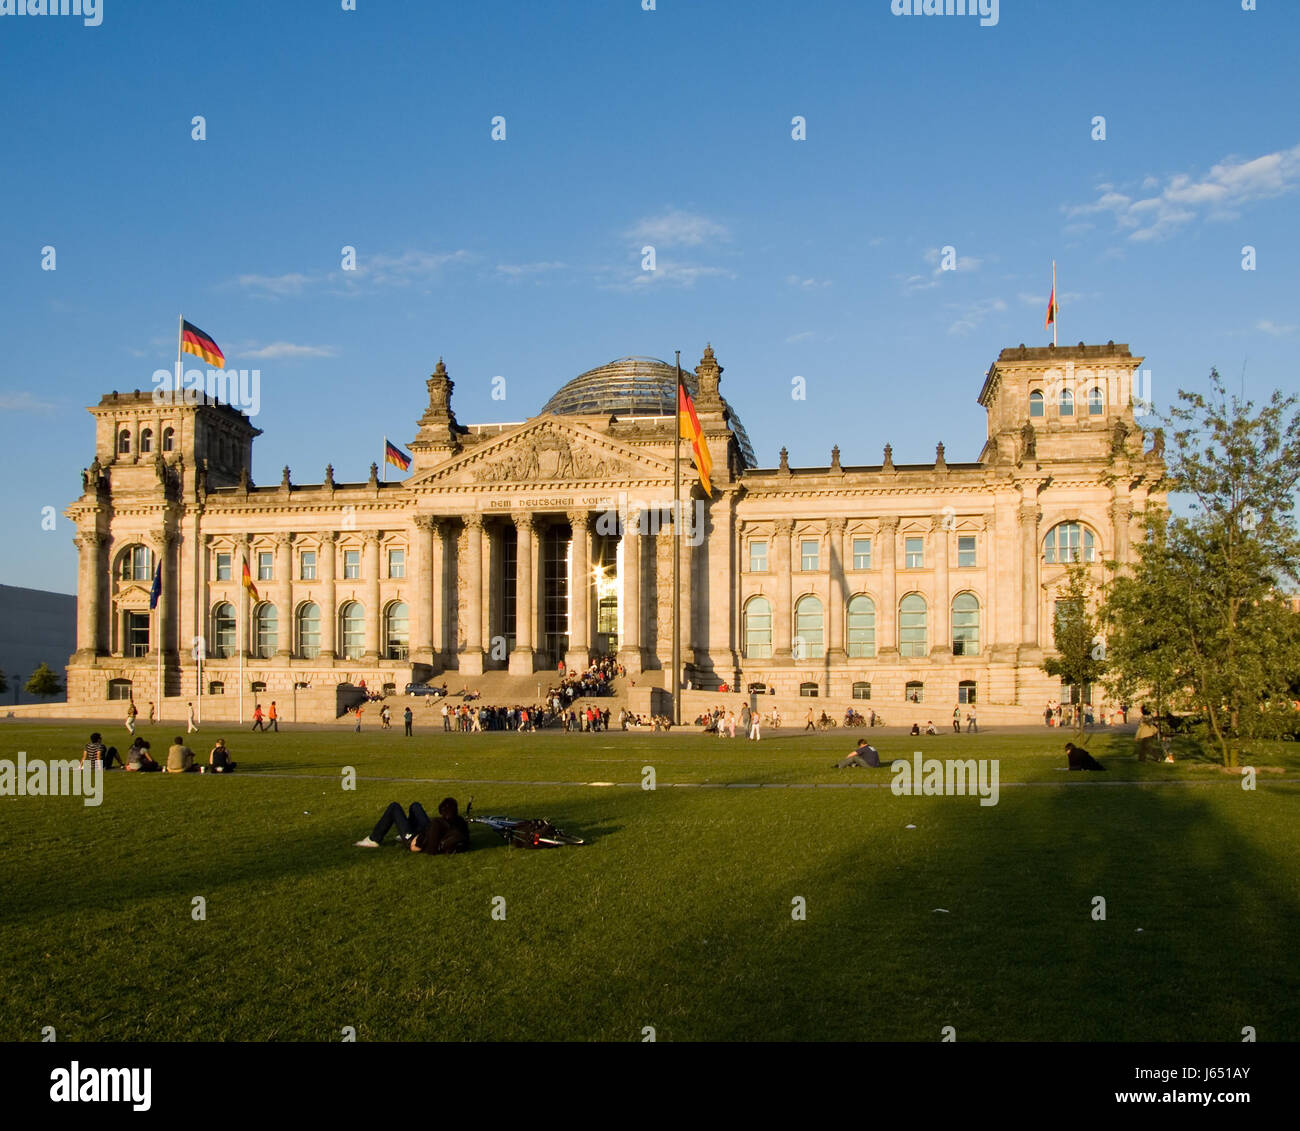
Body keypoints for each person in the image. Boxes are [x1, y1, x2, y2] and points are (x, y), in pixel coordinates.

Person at [354, 797, 471, 854]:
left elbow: (430, 848)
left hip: (415, 839)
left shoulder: (437, 823)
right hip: (428, 831)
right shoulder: (458, 822)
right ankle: (404, 832)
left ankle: (374, 839)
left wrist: (416, 842)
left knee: (394, 807)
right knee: (415, 806)